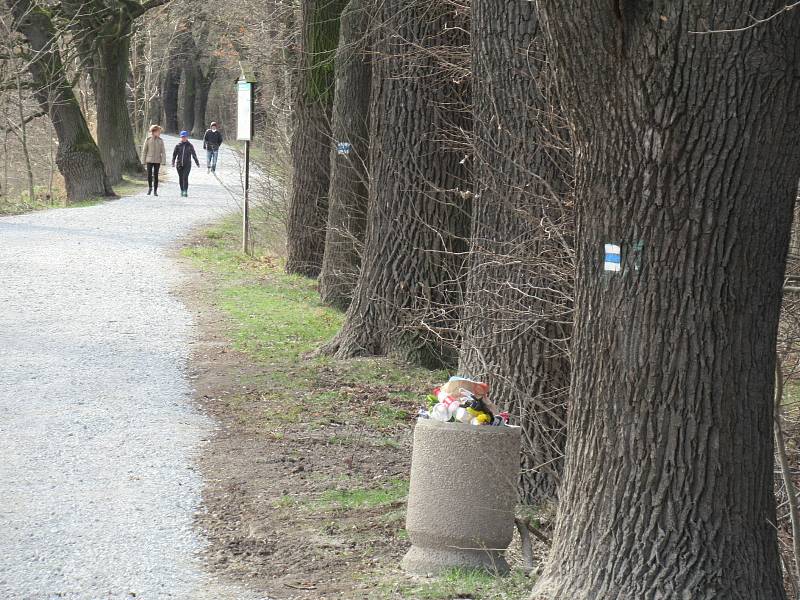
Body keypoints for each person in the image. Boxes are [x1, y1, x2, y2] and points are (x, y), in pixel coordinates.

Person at [172, 131, 200, 197]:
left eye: (184, 137)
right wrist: (173, 162)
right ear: (181, 137)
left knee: (185, 177)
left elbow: (194, 155)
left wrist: (197, 162)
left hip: (187, 164)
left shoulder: (190, 146)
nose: (183, 138)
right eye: (182, 137)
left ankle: (185, 191)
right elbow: (174, 155)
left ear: (187, 137)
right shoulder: (178, 145)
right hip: (179, 164)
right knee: (181, 178)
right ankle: (182, 190)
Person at [141, 124, 166, 196]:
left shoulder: (161, 141)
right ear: (154, 132)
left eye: (160, 132)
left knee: (156, 176)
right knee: (149, 175)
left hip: (157, 160)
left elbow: (163, 152)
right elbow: (144, 151)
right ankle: (150, 188)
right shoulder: (148, 139)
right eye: (158, 132)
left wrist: (163, 161)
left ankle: (155, 190)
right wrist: (143, 161)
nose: (159, 133)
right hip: (149, 160)